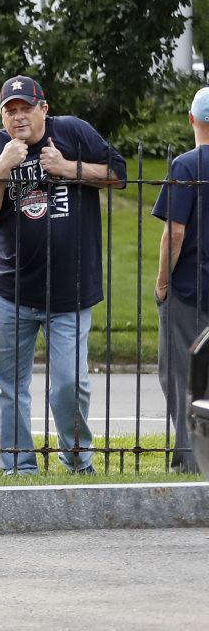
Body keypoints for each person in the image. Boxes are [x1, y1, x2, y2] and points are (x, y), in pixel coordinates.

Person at [0, 75, 126, 474]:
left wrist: (68, 168)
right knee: (10, 388)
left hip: (70, 291)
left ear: (44, 108)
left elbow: (118, 173)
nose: (19, 116)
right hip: (10, 291)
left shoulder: (72, 132)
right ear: (3, 115)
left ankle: (76, 460)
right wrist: (1, 168)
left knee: (71, 384)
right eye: (10, 110)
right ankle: (18, 466)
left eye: (26, 108)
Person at [151, 87, 209, 475]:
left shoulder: (187, 166)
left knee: (181, 374)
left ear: (191, 119)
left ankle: (189, 457)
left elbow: (174, 233)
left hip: (190, 286)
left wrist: (161, 283)